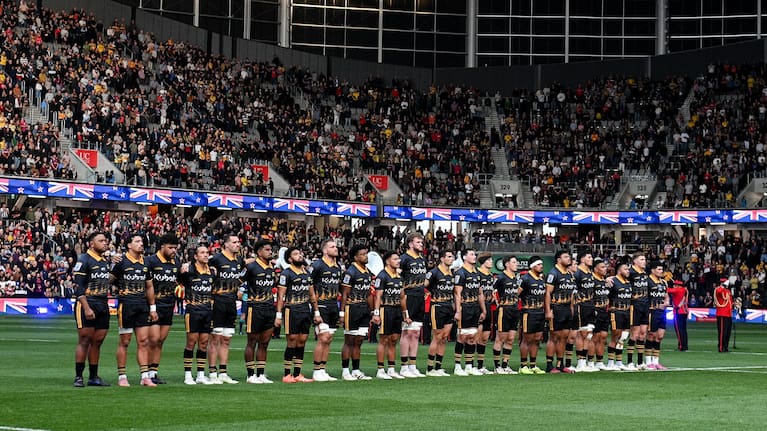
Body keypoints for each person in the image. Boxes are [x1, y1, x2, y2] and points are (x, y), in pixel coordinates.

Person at [114, 234, 158, 387]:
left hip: (142, 305)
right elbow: (108, 280)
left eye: (142, 241)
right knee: (125, 341)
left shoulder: (145, 262)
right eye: (137, 241)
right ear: (128, 245)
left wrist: (152, 308)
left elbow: (149, 286)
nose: (141, 244)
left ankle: (145, 376)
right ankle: (122, 376)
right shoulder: (120, 262)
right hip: (126, 305)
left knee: (143, 341)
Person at [73, 231, 113, 387]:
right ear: (91, 243)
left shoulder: (104, 261)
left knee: (97, 342)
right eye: (101, 240)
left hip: (103, 304)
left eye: (106, 240)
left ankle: (93, 376)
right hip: (87, 303)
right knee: (85, 340)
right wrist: (87, 308)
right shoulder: (84, 260)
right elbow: (78, 286)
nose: (105, 243)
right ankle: (78, 377)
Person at [207, 235, 247, 384]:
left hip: (231, 302)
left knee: (227, 338)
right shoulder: (216, 259)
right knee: (215, 338)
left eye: (239, 242)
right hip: (217, 301)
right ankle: (212, 373)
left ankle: (223, 372)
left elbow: (242, 276)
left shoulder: (239, 261)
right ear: (226, 244)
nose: (238, 244)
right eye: (234, 242)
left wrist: (239, 287)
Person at [275, 246, 317, 383]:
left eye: (300, 253)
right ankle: (287, 374)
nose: (300, 255)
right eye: (296, 254)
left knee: (302, 341)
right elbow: (280, 296)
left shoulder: (307, 274)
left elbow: (312, 294)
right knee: (292, 341)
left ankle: (297, 373)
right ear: (289, 258)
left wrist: (316, 312)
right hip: (292, 310)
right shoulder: (286, 274)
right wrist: (278, 315)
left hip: (305, 310)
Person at [145, 233, 181, 384]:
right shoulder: (150, 261)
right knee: (152, 339)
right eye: (171, 247)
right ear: (162, 247)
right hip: (153, 306)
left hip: (168, 305)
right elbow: (147, 284)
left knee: (160, 341)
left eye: (175, 248)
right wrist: (151, 307)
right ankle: (145, 373)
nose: (174, 250)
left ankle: (154, 372)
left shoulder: (176, 262)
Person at [242, 240, 277, 384]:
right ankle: (250, 375)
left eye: (271, 250)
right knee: (252, 342)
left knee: (265, 343)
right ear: (259, 252)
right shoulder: (251, 267)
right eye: (267, 250)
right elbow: (238, 281)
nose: (270, 252)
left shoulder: (271, 267)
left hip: (269, 308)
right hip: (255, 308)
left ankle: (261, 373)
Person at [180, 245, 215, 385]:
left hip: (207, 311)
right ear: (195, 256)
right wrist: (182, 268)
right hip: (193, 310)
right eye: (202, 253)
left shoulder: (212, 271)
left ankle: (200, 374)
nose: (206, 255)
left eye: (207, 252)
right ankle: (188, 375)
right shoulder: (189, 271)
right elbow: (178, 280)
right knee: (191, 342)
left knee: (204, 343)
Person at [339, 244, 373, 381]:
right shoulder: (350, 272)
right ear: (355, 257)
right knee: (349, 340)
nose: (365, 256)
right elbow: (344, 294)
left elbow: (369, 293)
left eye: (366, 253)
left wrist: (372, 311)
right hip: (352, 308)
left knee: (359, 340)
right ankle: (345, 371)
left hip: (364, 308)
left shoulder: (367, 271)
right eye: (362, 254)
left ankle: (356, 370)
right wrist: (342, 313)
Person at [310, 239, 343, 382]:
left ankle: (323, 370)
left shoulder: (337, 267)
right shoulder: (317, 266)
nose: (336, 248)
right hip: (321, 305)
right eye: (332, 247)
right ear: (324, 250)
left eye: (336, 246)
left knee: (328, 339)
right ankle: (316, 371)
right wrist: (315, 310)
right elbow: (309, 286)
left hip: (332, 305)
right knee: (323, 338)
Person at [453, 249, 486, 376]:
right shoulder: (461, 273)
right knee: (462, 336)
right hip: (465, 307)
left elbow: (480, 293)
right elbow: (457, 293)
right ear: (465, 257)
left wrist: (483, 310)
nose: (474, 256)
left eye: (475, 254)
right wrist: (458, 310)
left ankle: (469, 365)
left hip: (475, 308)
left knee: (472, 336)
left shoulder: (477, 273)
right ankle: (457, 366)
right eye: (472, 254)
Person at [372, 251, 405, 380]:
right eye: (395, 259)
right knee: (384, 339)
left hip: (397, 310)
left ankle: (391, 369)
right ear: (387, 261)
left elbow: (402, 296)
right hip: (386, 310)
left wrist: (405, 313)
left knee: (394, 339)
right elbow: (378, 295)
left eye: (399, 259)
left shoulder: (399, 276)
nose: (398, 261)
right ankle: (380, 369)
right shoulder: (382, 276)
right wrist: (376, 313)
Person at [399, 233, 427, 377]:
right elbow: (398, 280)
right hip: (408, 297)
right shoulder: (404, 259)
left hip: (420, 297)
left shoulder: (422, 260)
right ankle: (404, 367)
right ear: (410, 244)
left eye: (421, 242)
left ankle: (412, 365)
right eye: (418, 242)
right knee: (407, 332)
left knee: (416, 333)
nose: (421, 244)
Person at [424, 250, 456, 377]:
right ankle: (430, 368)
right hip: (437, 306)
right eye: (448, 257)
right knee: (437, 337)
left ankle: (438, 367)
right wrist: (426, 293)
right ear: (442, 259)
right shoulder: (434, 272)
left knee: (444, 338)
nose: (451, 259)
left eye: (452, 256)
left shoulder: (451, 274)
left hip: (449, 306)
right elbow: (424, 285)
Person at [544, 250, 577, 373]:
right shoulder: (553, 273)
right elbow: (547, 293)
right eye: (566, 256)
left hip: (567, 309)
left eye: (569, 257)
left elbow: (572, 294)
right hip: (556, 308)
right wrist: (548, 311)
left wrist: (572, 309)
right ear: (558, 259)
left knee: (564, 337)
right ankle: (549, 365)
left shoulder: (569, 274)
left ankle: (560, 364)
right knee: (554, 337)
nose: (569, 259)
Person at [518, 256, 546, 375]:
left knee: (536, 339)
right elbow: (516, 294)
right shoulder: (525, 279)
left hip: (540, 312)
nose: (541, 267)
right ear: (533, 266)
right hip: (528, 313)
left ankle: (533, 365)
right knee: (527, 339)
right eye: (539, 264)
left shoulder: (541, 279)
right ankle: (523, 366)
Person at [492, 255, 520, 374]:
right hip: (504, 310)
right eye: (514, 262)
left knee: (511, 338)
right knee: (500, 338)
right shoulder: (501, 277)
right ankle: (497, 367)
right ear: (507, 264)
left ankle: (505, 365)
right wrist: (498, 303)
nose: (516, 264)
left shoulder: (516, 277)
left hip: (514, 309)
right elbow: (492, 290)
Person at [572, 251, 597, 372]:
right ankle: (580, 363)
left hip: (590, 305)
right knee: (581, 334)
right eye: (589, 257)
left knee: (589, 334)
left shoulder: (590, 273)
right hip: (581, 306)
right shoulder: (577, 274)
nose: (591, 259)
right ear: (582, 259)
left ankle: (585, 361)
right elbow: (573, 292)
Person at [606, 261, 632, 371]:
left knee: (623, 337)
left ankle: (619, 362)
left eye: (628, 269)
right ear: (619, 270)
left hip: (626, 312)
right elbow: (604, 294)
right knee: (615, 337)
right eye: (625, 269)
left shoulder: (627, 282)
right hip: (616, 312)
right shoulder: (612, 281)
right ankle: (610, 362)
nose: (628, 271)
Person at [627, 252, 650, 370]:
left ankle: (640, 362)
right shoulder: (630, 272)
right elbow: (618, 278)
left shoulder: (645, 273)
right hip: (634, 305)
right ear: (635, 261)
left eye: (644, 259)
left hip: (645, 305)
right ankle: (630, 361)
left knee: (643, 334)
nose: (644, 261)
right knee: (634, 334)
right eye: (641, 259)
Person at [476, 252, 496, 374]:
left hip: (489, 306)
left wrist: (492, 295)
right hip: (478, 308)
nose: (491, 262)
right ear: (484, 262)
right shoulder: (477, 274)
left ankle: (480, 365)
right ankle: (471, 365)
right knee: (476, 337)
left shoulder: (490, 275)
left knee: (484, 339)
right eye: (489, 260)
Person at [646, 261, 669, 370]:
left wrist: (666, 302)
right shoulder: (648, 281)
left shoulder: (664, 282)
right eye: (659, 269)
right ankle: (648, 361)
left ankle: (656, 362)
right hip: (652, 311)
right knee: (651, 335)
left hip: (662, 312)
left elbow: (666, 295)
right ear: (653, 270)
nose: (661, 271)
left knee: (660, 336)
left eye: (661, 270)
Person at [590, 258, 610, 370]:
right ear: (595, 269)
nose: (605, 269)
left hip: (605, 311)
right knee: (595, 337)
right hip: (595, 311)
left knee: (603, 337)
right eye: (602, 267)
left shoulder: (605, 280)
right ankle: (591, 361)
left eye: (605, 267)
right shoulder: (592, 280)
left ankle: (600, 361)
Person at [667, 279, 689, 351]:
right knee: (683, 330)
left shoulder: (677, 290)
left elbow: (668, 290)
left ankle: (681, 346)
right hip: (684, 311)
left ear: (677, 285)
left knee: (679, 330)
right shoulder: (684, 290)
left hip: (678, 311)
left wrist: (663, 283)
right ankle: (685, 345)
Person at [714, 278, 733, 353]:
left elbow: (729, 301)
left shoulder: (728, 291)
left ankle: (726, 346)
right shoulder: (719, 289)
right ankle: (721, 347)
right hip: (722, 313)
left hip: (728, 314)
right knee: (722, 332)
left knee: (727, 332)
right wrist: (722, 285)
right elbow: (719, 291)